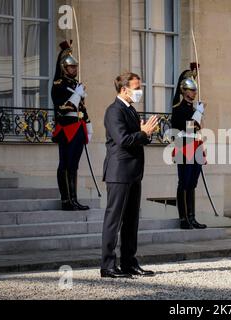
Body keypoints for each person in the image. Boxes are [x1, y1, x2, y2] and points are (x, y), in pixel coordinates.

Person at [101, 72, 158, 279]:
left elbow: (139, 138)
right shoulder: (114, 111)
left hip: (133, 172)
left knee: (131, 220)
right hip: (119, 172)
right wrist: (143, 133)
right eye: (136, 88)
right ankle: (107, 265)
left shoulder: (131, 110)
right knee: (113, 220)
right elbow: (123, 139)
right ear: (124, 89)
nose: (139, 91)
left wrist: (145, 134)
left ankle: (128, 262)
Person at [51, 40, 92, 211]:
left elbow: (82, 108)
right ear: (63, 68)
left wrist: (88, 124)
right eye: (71, 67)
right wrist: (77, 95)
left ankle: (74, 199)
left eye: (75, 67)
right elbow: (64, 107)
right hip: (66, 128)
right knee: (65, 164)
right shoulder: (59, 85)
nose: (74, 69)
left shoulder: (75, 85)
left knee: (74, 165)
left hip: (78, 127)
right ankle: (65, 200)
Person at [171, 75, 207, 230]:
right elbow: (189, 126)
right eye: (191, 90)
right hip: (183, 144)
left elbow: (199, 128)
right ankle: (183, 218)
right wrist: (198, 112)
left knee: (193, 183)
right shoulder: (178, 109)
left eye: (194, 90)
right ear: (183, 91)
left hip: (196, 144)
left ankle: (192, 217)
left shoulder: (193, 109)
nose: (194, 93)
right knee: (184, 182)